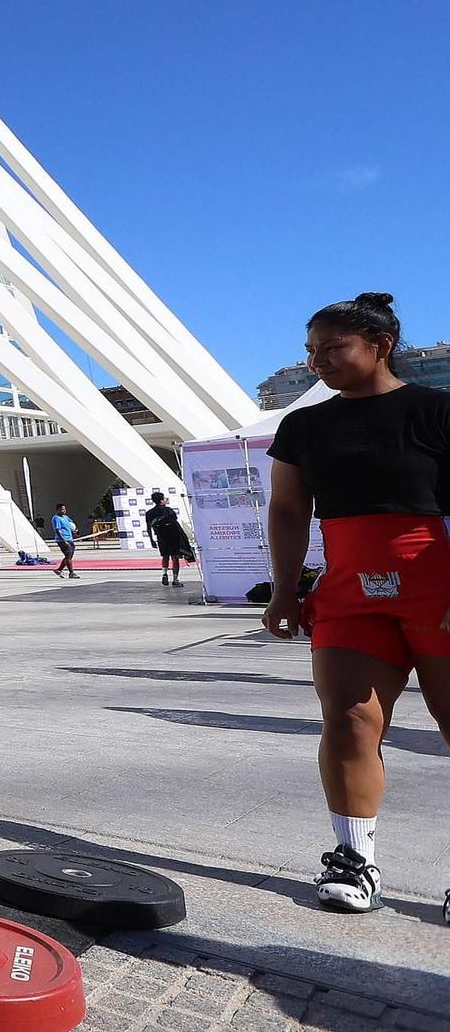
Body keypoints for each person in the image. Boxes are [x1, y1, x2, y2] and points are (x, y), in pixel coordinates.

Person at [261, 292, 450, 917]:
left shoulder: (435, 411)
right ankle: (354, 859)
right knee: (348, 721)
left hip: (439, 586)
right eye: (310, 351)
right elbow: (288, 510)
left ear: (380, 346)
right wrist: (286, 590)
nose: (319, 361)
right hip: (349, 592)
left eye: (333, 348)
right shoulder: (304, 425)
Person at [143, 493, 194, 587]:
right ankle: (175, 580)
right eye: (164, 498)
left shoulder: (149, 513)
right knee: (175, 558)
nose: (166, 500)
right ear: (162, 500)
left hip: (161, 537)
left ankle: (164, 574)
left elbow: (148, 527)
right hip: (173, 536)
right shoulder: (168, 510)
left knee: (165, 557)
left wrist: (151, 540)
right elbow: (175, 523)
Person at [50, 504, 78, 579]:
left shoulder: (66, 517)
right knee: (68, 555)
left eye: (65, 509)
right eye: (62, 509)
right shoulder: (56, 518)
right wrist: (64, 540)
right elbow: (57, 530)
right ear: (58, 510)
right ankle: (71, 573)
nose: (64, 511)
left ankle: (59, 570)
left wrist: (75, 530)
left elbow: (71, 525)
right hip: (62, 540)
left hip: (70, 539)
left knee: (69, 556)